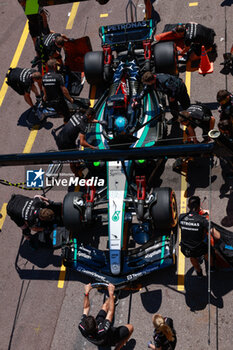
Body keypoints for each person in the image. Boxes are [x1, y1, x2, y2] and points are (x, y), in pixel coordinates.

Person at [79, 283, 133, 349]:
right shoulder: (103, 329)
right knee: (130, 327)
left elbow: (86, 308)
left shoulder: (82, 326)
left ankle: (114, 297)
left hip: (97, 339)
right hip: (109, 338)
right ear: (96, 326)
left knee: (104, 306)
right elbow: (110, 312)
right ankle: (117, 348)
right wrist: (110, 293)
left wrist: (86, 293)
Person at [179, 196, 220, 277]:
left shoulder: (181, 217)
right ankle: (211, 268)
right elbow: (217, 236)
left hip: (185, 248)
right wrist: (208, 223)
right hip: (199, 248)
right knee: (207, 252)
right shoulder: (202, 220)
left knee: (192, 256)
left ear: (188, 206)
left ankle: (199, 272)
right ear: (199, 206)